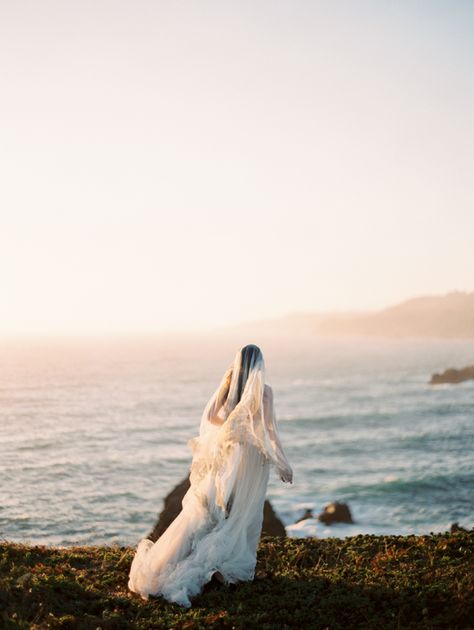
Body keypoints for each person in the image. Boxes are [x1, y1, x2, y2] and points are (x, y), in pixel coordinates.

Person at [128, 344, 293, 607]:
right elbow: (271, 432)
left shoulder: (228, 389)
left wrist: (235, 429)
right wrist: (283, 464)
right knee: (241, 514)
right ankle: (221, 564)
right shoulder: (265, 392)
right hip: (253, 462)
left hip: (231, 456)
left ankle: (204, 561)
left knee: (217, 513)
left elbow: (213, 417)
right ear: (260, 365)